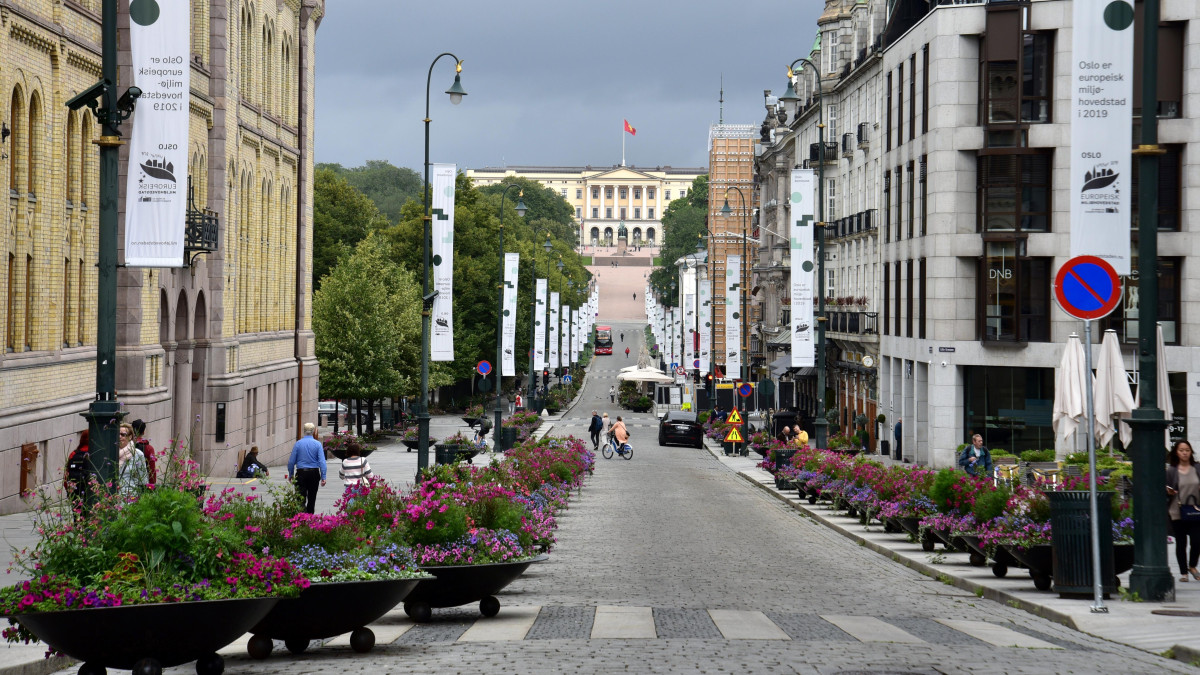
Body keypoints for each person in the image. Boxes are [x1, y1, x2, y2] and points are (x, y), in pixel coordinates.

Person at [1167, 440, 1200, 582]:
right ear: (1176, 452)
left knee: (1197, 540)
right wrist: (1169, 491)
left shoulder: (1197, 468)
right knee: (1181, 542)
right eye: (1181, 450)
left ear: (1191, 452)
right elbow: (1166, 487)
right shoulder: (1172, 470)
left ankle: (1192, 566)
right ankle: (1183, 573)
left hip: (1195, 509)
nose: (1185, 452)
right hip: (1177, 510)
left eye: (1187, 450)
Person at [286, 422, 327, 514]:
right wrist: (323, 476)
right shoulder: (317, 444)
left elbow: (291, 461)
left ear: (304, 431)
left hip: (301, 473)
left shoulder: (298, 444)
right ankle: (310, 518)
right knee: (312, 498)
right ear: (313, 431)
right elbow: (322, 462)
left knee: (300, 498)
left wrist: (291, 474)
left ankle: (301, 517)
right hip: (314, 473)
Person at [117, 422, 148, 495]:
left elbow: (143, 480)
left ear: (130, 436)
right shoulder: (111, 453)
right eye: (118, 434)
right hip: (113, 498)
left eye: (123, 435)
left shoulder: (137, 454)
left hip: (130, 498)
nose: (119, 437)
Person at [64, 429, 93, 504]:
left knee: (78, 514)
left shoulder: (73, 454)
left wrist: (68, 490)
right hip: (91, 492)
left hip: (75, 493)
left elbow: (66, 475)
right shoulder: (94, 453)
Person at [130, 419, 157, 485]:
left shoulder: (127, 445)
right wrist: (152, 485)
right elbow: (152, 469)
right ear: (144, 432)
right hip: (142, 482)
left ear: (132, 431)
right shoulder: (149, 448)